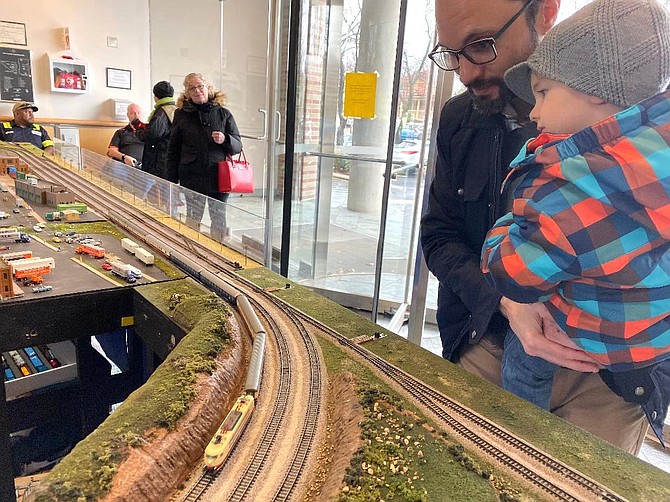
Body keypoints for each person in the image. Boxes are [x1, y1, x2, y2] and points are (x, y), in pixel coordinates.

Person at [420, 0, 648, 454]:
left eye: (481, 45)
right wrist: (506, 301)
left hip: (609, 381)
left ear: (545, 14)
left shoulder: (643, 130)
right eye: (450, 53)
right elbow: (439, 234)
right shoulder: (457, 117)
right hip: (487, 338)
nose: (465, 72)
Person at [481, 0, 670, 446]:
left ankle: (515, 440)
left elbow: (515, 275)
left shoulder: (571, 190)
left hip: (577, 334)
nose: (532, 112)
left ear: (597, 91)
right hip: (642, 354)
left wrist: (501, 231)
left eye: (544, 92)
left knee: (521, 368)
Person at [167, 73, 242, 240]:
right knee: (193, 216)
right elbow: (173, 148)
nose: (197, 90)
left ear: (208, 88)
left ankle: (218, 249)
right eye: (191, 88)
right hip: (191, 175)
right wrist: (171, 180)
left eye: (200, 86)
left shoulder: (223, 113)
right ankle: (190, 248)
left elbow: (238, 145)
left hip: (218, 176)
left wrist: (225, 139)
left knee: (218, 217)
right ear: (186, 93)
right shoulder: (181, 115)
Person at [135, 81, 176, 180]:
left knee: (159, 189)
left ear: (156, 97)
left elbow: (152, 135)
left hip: (159, 160)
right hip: (170, 157)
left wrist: (138, 131)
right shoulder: (176, 109)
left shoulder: (161, 113)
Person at [107, 103, 145, 168]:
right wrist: (124, 157)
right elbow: (111, 151)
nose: (136, 116)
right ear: (128, 115)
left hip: (143, 167)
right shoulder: (121, 132)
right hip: (123, 165)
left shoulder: (148, 132)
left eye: (138, 113)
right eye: (132, 113)